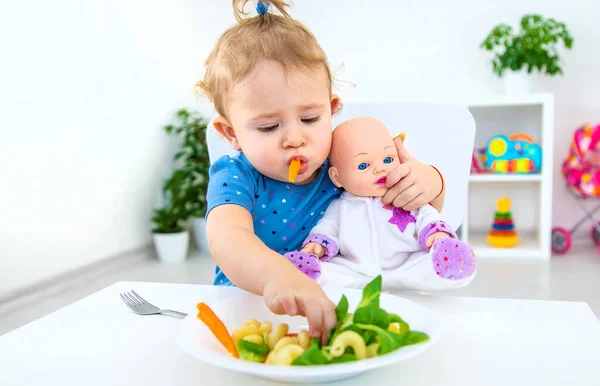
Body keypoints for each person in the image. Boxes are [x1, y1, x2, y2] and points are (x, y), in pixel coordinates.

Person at [197, 0, 445, 343]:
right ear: (232, 134)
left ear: (331, 110)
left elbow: (408, 209)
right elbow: (227, 239)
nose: (295, 140)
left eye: (310, 119)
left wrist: (432, 182)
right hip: (249, 314)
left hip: (337, 308)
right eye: (269, 127)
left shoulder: (342, 164)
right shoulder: (236, 176)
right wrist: (277, 277)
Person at [284, 116, 477, 290]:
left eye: (387, 159)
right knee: (329, 273)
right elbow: (327, 227)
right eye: (363, 165)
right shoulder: (341, 206)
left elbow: (427, 214)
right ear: (337, 177)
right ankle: (306, 271)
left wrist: (438, 234)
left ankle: (452, 262)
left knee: (429, 265)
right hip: (355, 270)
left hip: (406, 266)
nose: (380, 170)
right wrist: (317, 245)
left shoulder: (403, 194)